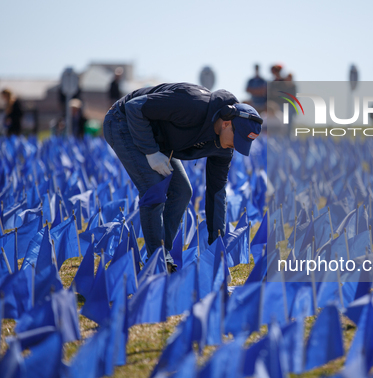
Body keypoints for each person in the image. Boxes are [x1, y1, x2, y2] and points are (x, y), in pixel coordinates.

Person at [103, 83, 262, 272]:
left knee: (182, 191)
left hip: (157, 138)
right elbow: (134, 107)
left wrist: (216, 247)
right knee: (154, 186)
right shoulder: (193, 104)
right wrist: (151, 152)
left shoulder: (224, 149)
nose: (235, 147)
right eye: (237, 141)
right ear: (226, 123)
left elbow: (216, 194)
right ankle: (157, 262)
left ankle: (162, 254)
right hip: (123, 121)